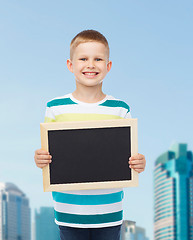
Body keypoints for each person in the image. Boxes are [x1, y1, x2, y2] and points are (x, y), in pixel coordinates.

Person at [34, 29, 146, 240]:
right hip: (69, 211)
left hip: (109, 211)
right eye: (83, 58)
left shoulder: (120, 109)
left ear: (108, 66)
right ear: (70, 65)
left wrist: (139, 162)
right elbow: (47, 153)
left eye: (98, 59)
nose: (91, 65)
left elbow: (129, 157)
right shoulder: (55, 107)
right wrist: (40, 158)